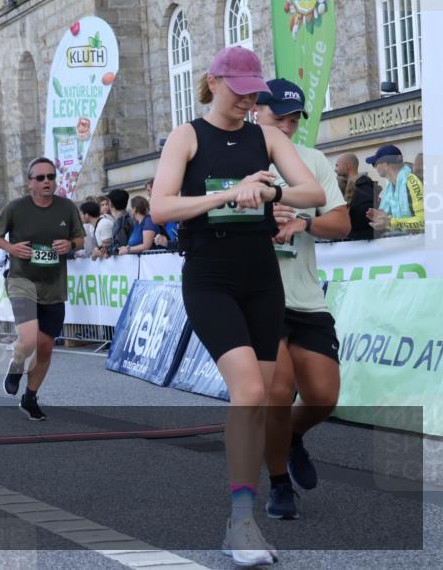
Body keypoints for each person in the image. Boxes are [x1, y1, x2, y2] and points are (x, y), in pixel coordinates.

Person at [150, 46, 324, 566]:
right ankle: (242, 521)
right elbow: (160, 208)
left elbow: (312, 191)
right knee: (248, 390)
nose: (248, 100)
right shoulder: (187, 136)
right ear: (214, 82)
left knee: (262, 397)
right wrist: (228, 194)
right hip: (209, 277)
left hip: (261, 278)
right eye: (240, 90)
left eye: (254, 92)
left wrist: (271, 194)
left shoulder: (266, 136)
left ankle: (243, 519)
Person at [255, 79, 351, 520]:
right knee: (278, 390)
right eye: (279, 117)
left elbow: (341, 224)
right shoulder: (235, 160)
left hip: (307, 297)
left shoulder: (311, 160)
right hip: (258, 296)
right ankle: (279, 484)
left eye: (294, 120)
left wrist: (303, 223)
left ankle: (291, 438)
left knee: (323, 397)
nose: (287, 127)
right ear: (256, 111)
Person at [0, 157, 85, 421]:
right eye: (40, 178)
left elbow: (80, 238)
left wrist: (70, 245)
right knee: (29, 339)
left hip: (53, 286)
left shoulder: (66, 207)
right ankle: (17, 364)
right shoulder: (16, 208)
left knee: (44, 348)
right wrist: (11, 248)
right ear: (30, 182)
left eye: (51, 177)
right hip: (22, 281)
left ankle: (30, 397)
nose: (47, 182)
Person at [365, 144, 424, 234]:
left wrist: (390, 222)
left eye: (375, 164)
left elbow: (423, 221)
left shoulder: (412, 182)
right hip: (407, 239)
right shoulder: (391, 187)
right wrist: (382, 219)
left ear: (385, 164)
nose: (375, 167)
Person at [334, 153, 378, 240]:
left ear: (348, 166)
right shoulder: (348, 187)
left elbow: (365, 217)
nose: (335, 169)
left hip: (364, 243)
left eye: (337, 165)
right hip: (355, 242)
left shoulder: (363, 188)